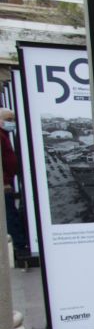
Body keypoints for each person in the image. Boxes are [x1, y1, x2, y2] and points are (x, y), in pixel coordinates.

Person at [1, 108, 28, 253]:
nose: (12, 123)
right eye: (9, 120)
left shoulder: (4, 135)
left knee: (11, 213)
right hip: (5, 185)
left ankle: (19, 242)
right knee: (10, 215)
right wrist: (4, 182)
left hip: (8, 181)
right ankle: (20, 245)